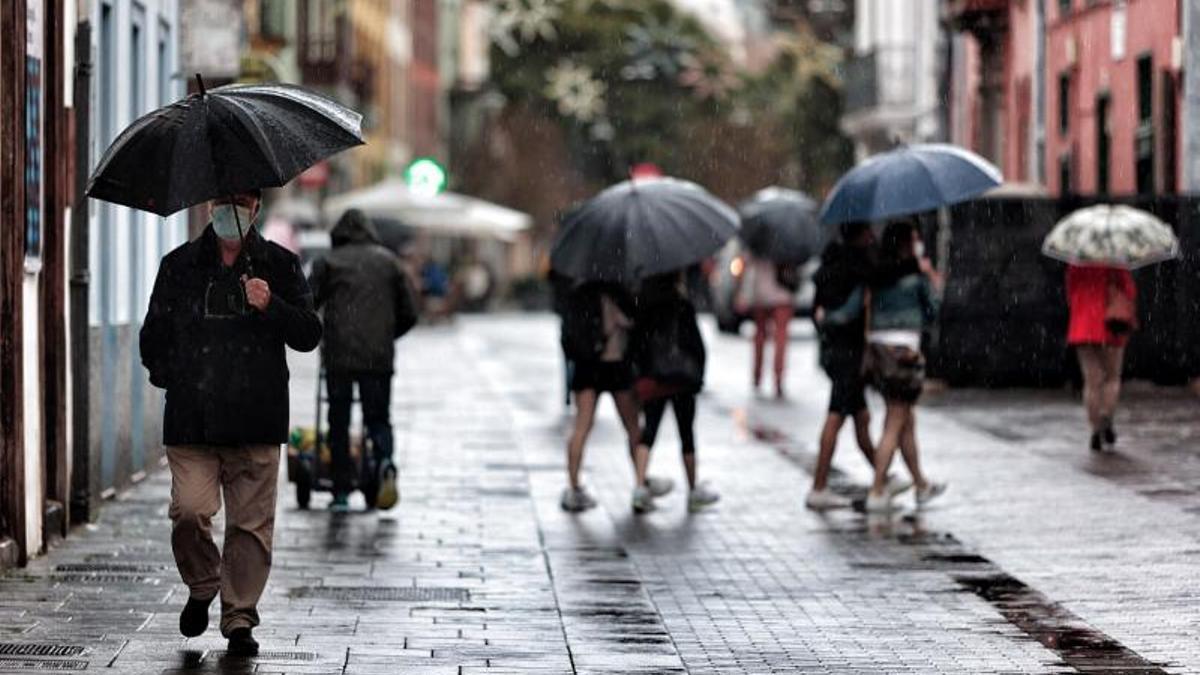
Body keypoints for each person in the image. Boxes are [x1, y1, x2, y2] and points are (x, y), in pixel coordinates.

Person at [140, 191, 322, 656]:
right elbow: (153, 336)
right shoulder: (179, 265)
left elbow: (308, 334)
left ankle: (239, 619)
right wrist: (176, 377)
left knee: (250, 527)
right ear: (207, 206)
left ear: (256, 208)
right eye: (223, 201)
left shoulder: (279, 265)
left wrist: (271, 305)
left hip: (256, 416)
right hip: (191, 419)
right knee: (189, 513)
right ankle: (203, 585)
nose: (230, 210)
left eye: (240, 202)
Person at [308, 209, 418, 512]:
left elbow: (307, 305)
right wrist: (385, 336)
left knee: (339, 421)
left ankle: (341, 490)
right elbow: (410, 313)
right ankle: (383, 462)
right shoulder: (389, 262)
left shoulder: (328, 262)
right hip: (377, 357)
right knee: (378, 418)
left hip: (339, 356)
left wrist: (322, 331)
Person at [807, 222, 912, 510]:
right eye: (868, 233)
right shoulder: (855, 266)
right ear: (860, 235)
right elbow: (883, 277)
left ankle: (882, 477)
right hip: (848, 355)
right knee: (836, 416)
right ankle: (818, 487)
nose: (872, 237)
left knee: (861, 419)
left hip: (834, 350)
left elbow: (817, 312)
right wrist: (913, 265)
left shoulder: (830, 264)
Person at [863, 220, 946, 513]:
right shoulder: (914, 275)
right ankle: (876, 489)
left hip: (879, 353)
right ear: (907, 243)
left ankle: (921, 484)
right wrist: (931, 280)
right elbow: (933, 310)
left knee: (905, 420)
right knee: (895, 421)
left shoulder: (878, 273)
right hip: (904, 354)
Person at [631, 271, 720, 513]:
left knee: (648, 432)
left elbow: (636, 344)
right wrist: (698, 374)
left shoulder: (644, 305)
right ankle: (692, 491)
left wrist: (640, 375)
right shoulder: (682, 306)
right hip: (681, 379)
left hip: (653, 380)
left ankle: (639, 487)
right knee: (687, 435)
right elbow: (696, 346)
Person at [559, 281, 652, 512]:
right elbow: (636, 325)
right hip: (615, 366)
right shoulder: (619, 291)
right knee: (632, 427)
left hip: (586, 367)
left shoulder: (578, 294)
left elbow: (567, 336)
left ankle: (573, 486)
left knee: (582, 426)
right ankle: (641, 483)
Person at [1065, 264, 1137, 451]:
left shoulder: (1076, 262)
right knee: (1112, 377)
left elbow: (1070, 294)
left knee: (1091, 381)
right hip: (1110, 325)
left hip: (1082, 327)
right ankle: (1106, 415)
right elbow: (1129, 291)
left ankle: (1095, 429)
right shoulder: (1115, 261)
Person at [736, 252, 795, 398]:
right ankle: (778, 379)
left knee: (760, 337)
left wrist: (741, 291)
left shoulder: (758, 239)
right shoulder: (788, 242)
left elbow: (743, 264)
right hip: (782, 295)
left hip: (761, 295)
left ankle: (757, 376)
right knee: (780, 339)